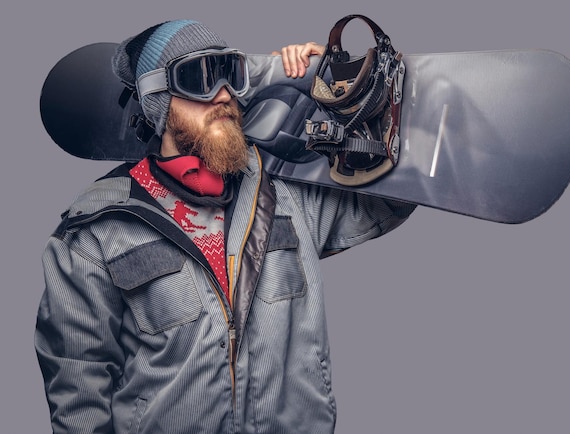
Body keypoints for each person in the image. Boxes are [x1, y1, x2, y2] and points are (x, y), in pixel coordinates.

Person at [35, 19, 416, 434]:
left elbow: (387, 202)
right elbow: (78, 387)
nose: (222, 95)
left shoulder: (286, 193)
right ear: (157, 100)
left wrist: (326, 94)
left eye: (230, 75)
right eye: (197, 78)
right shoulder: (97, 229)